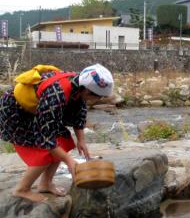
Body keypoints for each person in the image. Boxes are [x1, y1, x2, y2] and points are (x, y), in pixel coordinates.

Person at [0, 63, 114, 202]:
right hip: (15, 112)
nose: (99, 100)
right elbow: (46, 138)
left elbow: (79, 113)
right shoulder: (56, 94)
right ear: (87, 91)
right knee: (44, 151)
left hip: (37, 111)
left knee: (63, 142)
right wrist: (69, 162)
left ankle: (45, 183)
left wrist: (81, 140)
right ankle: (22, 189)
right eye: (99, 97)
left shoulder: (79, 86)